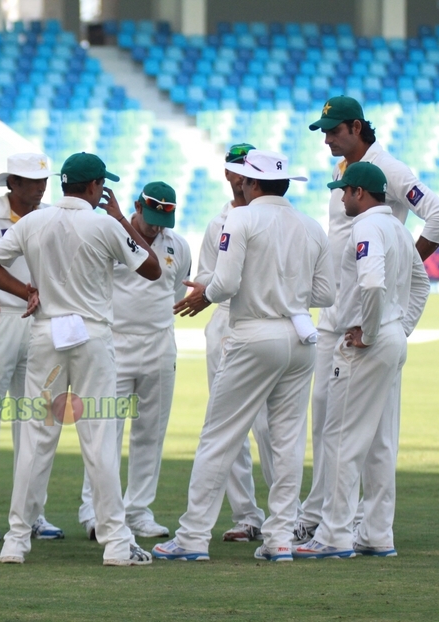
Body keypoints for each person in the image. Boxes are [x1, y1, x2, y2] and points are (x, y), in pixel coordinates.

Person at [0, 152, 162, 566]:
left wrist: (27, 290)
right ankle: (115, 543)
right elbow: (152, 269)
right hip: (92, 335)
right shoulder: (102, 223)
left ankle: (16, 540)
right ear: (96, 187)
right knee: (98, 437)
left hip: (46, 331)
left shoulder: (33, 222)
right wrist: (117, 218)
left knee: (37, 439)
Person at [153, 149, 334, 563]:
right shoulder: (309, 227)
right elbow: (326, 294)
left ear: (252, 183)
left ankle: (193, 537)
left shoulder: (241, 218)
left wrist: (206, 294)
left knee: (219, 436)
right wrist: (289, 294)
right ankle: (281, 539)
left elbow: (226, 282)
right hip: (300, 335)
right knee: (287, 441)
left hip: (253, 332)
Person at [296, 96, 439, 544]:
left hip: (361, 319)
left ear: (355, 126)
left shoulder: (390, 171)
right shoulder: (343, 171)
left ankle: (340, 524)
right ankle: (349, 521)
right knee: (338, 421)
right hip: (340, 313)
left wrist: (404, 266)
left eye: (331, 131)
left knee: (350, 427)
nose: (326, 139)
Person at [294, 163, 429, 558]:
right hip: (391, 337)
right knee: (381, 442)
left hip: (367, 341)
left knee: (340, 437)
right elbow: (421, 283)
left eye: (344, 191)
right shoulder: (399, 230)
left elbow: (371, 282)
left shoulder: (366, 227)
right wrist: (401, 326)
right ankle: (375, 533)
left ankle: (334, 534)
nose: (340, 198)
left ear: (359, 193)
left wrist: (369, 331)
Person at [78, 180, 191, 540]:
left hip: (159, 344)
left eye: (163, 220)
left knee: (150, 433)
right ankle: (95, 511)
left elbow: (172, 290)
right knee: (104, 431)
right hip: (116, 342)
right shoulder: (112, 235)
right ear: (137, 207)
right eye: (151, 217)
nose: (156, 227)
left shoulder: (178, 245)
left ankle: (139, 510)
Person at [0, 152, 65, 543]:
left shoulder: (52, 215)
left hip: (40, 322)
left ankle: (32, 512)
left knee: (36, 420)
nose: (40, 188)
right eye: (30, 181)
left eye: (43, 181)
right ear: (12, 184)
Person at [194, 143, 275, 544]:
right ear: (230, 174)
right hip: (226, 320)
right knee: (229, 425)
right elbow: (209, 277)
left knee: (270, 424)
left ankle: (284, 515)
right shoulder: (218, 223)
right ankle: (247, 515)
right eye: (238, 168)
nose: (244, 175)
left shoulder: (273, 217)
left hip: (263, 319)